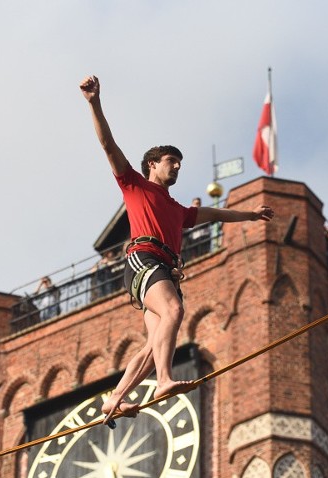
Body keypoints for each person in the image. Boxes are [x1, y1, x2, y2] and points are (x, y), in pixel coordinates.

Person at [80, 75, 275, 424]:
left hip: (162, 267)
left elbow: (214, 213)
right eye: (172, 160)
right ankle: (163, 381)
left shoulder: (178, 210)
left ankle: (114, 400)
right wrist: (94, 103)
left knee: (153, 343)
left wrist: (250, 213)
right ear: (153, 164)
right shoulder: (135, 185)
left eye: (179, 163)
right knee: (173, 310)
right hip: (144, 259)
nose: (178, 166)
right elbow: (109, 145)